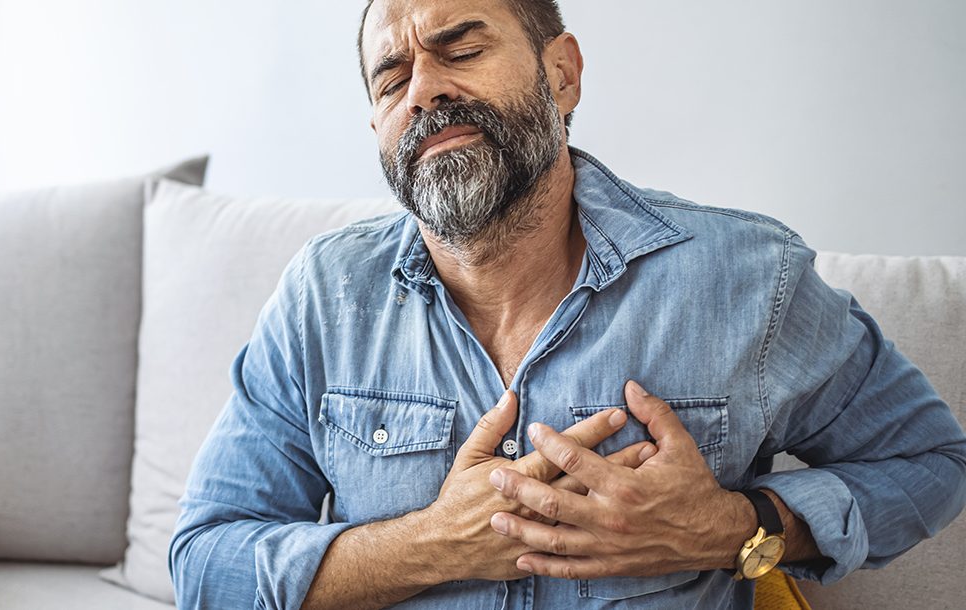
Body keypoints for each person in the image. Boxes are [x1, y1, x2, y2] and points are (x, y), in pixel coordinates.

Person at [169, 0, 966, 607]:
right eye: (391, 78)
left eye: (463, 48)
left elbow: (934, 464)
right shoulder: (322, 297)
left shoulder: (751, 278)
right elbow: (206, 558)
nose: (424, 90)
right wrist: (436, 545)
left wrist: (732, 527)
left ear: (562, 74)